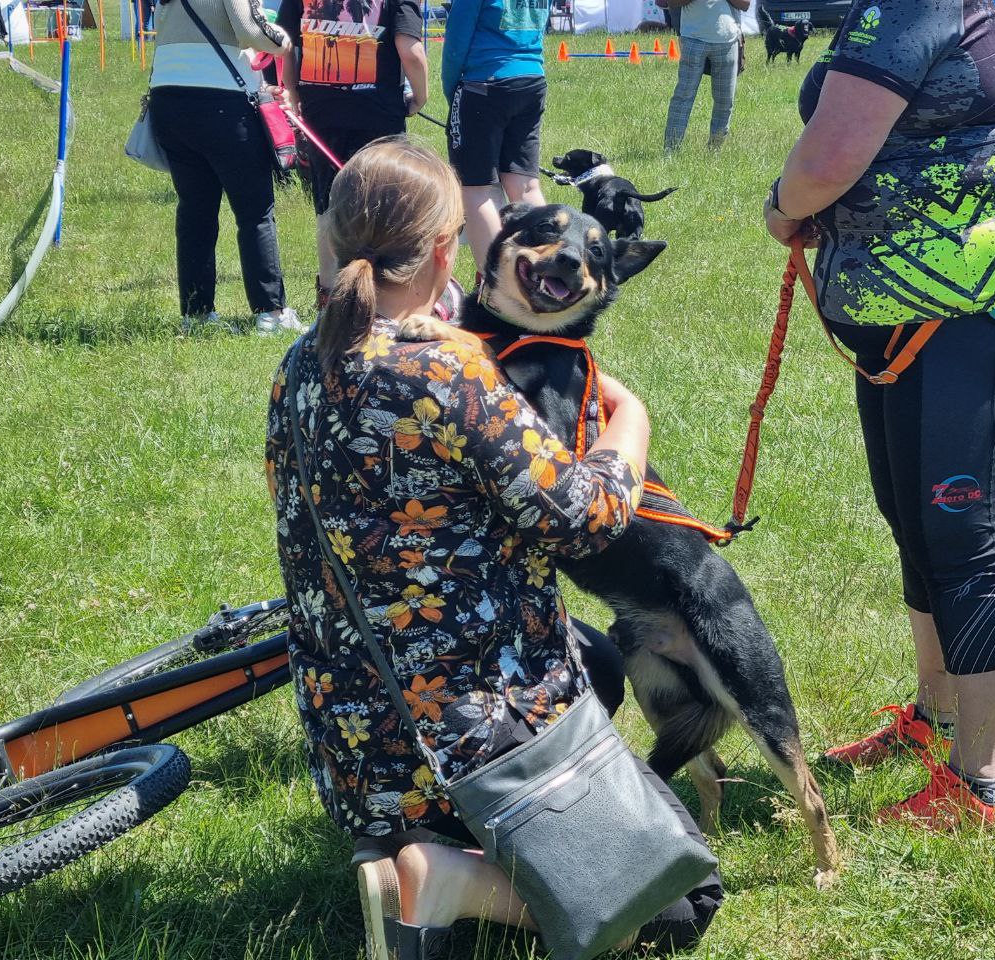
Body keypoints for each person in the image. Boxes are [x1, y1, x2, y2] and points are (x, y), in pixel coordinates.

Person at [266, 137, 722, 960]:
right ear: (447, 250)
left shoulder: (301, 359)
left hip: (355, 742)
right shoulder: (452, 369)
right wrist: (631, 417)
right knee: (685, 899)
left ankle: (395, 842)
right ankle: (446, 874)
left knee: (600, 661)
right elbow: (587, 517)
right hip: (464, 740)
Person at [764, 0, 995, 827]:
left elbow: (829, 157)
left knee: (961, 534)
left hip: (960, 302)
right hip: (912, 307)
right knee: (913, 517)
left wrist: (783, 207)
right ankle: (934, 720)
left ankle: (984, 784)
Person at [148, 0, 303, 335]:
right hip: (223, 106)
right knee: (255, 212)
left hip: (168, 102)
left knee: (195, 212)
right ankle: (271, 313)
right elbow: (252, 32)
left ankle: (197, 313)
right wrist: (284, 40)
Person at [276, 0, 428, 311]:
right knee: (385, 202)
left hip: (321, 109)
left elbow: (283, 41)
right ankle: (385, 295)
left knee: (329, 203)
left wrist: (290, 88)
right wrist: (420, 96)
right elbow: (409, 50)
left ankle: (330, 296)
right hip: (378, 111)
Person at [442, 0, 550, 269]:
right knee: (525, 186)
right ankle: (546, 270)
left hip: (484, 81)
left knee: (476, 191)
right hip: (532, 77)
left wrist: (453, 92)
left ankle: (496, 282)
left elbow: (456, 40)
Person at [663, 0, 751, 153]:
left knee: (725, 101)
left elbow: (745, 4)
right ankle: (670, 150)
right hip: (693, 39)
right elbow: (671, 2)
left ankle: (714, 152)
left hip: (728, 41)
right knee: (683, 97)